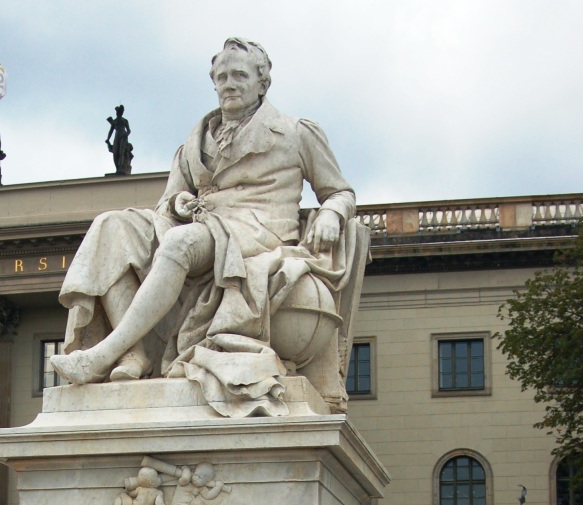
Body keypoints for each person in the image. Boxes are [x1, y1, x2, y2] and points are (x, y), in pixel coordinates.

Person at [51, 37, 356, 387]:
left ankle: (102, 354)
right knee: (111, 227)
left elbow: (340, 192)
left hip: (255, 231)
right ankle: (131, 351)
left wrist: (332, 214)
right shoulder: (193, 144)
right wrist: (177, 202)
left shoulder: (296, 132)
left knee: (180, 243)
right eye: (222, 77)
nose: (229, 84)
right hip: (199, 225)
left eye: (239, 75)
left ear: (262, 83)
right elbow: (166, 202)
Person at [106, 105, 132, 175]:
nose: (119, 113)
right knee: (115, 153)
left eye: (120, 112)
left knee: (121, 152)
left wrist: (126, 134)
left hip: (123, 137)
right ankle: (117, 168)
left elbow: (129, 130)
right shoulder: (114, 121)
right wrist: (108, 139)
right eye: (118, 112)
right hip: (116, 137)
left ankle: (120, 169)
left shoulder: (125, 120)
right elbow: (111, 131)